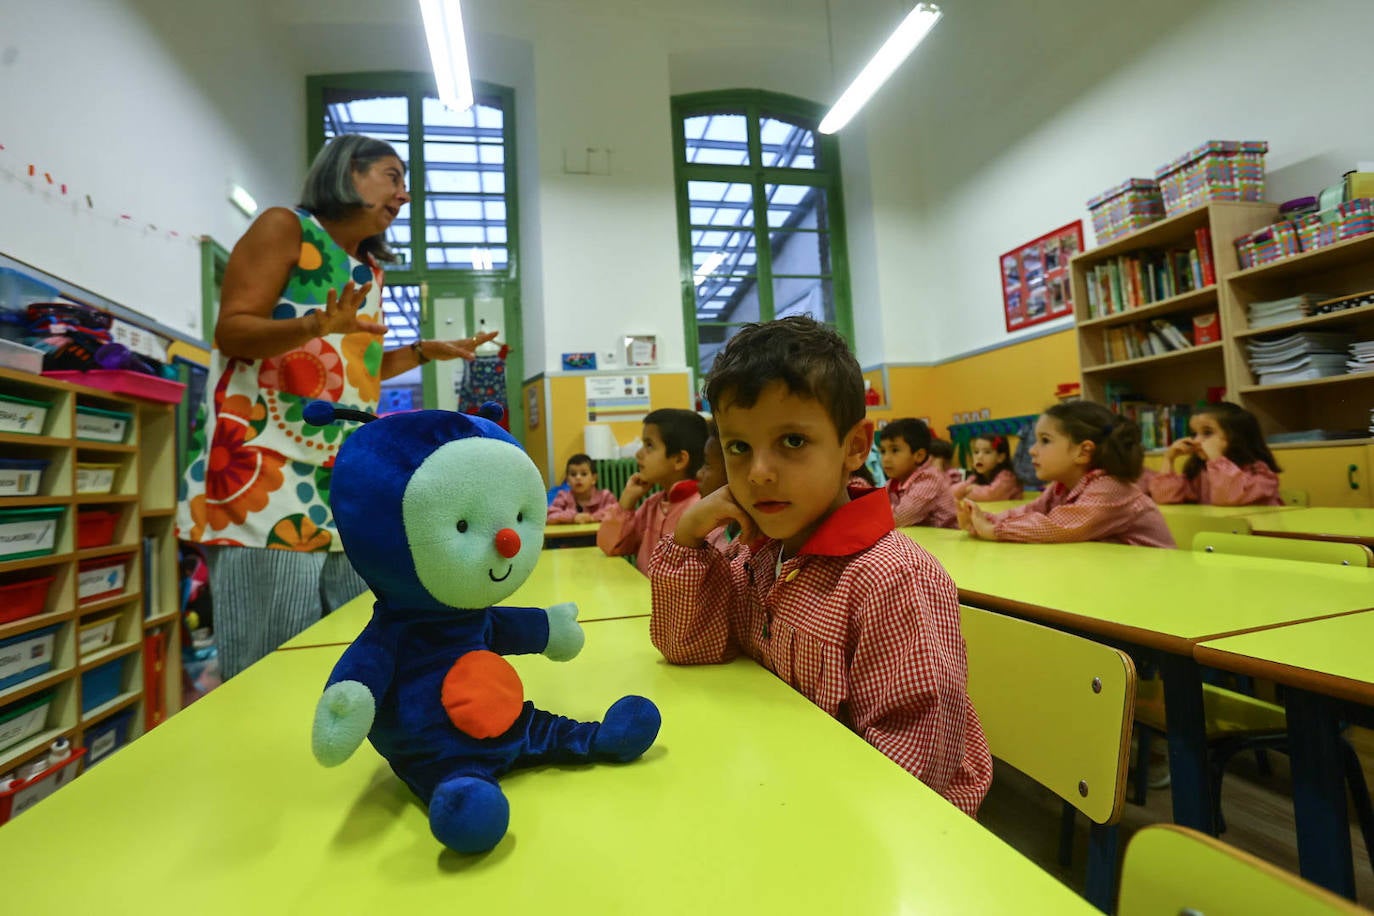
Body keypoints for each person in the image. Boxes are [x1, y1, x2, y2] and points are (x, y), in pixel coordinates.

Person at [177, 134, 498, 679]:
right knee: (269, 655)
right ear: (348, 171)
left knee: (345, 643)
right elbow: (232, 331)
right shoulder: (285, 228)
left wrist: (421, 352)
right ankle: (265, 757)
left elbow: (355, 368)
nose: (404, 195)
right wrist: (312, 324)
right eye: (393, 177)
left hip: (336, 475)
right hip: (261, 471)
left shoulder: (367, 268)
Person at [648, 316, 993, 817]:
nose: (759, 473)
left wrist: (801, 807)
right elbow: (687, 646)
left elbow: (914, 777)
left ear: (854, 447)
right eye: (738, 447)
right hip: (777, 781)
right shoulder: (756, 549)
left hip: (876, 827)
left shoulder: (892, 578)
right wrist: (686, 537)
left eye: (792, 441)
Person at [959, 402, 1174, 547]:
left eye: (1045, 440)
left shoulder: (1110, 489)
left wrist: (994, 530)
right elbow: (1032, 511)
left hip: (1160, 583)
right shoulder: (1061, 487)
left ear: (1083, 451)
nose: (1032, 450)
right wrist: (983, 519)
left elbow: (1057, 527)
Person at [596, 408, 707, 575]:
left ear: (679, 460)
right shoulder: (653, 504)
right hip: (644, 598)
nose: (638, 454)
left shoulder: (701, 508)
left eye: (649, 445)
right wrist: (626, 500)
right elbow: (610, 546)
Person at [1147, 402, 1282, 506]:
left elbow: (1228, 498)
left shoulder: (1260, 473)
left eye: (1207, 433)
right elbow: (1163, 497)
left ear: (1236, 437)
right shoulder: (1201, 473)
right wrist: (1168, 459)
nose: (1197, 441)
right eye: (1194, 434)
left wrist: (1217, 459)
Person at [879, 418, 958, 528]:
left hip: (950, 541)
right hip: (926, 539)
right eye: (883, 451)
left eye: (895, 450)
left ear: (919, 456)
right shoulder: (893, 483)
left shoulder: (929, 479)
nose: (885, 459)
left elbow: (898, 518)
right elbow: (877, 509)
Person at [546, 453, 618, 523]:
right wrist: (573, 517)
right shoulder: (563, 496)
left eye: (584, 474)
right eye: (573, 474)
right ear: (567, 480)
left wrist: (592, 518)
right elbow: (550, 516)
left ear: (594, 479)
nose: (578, 478)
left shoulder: (605, 496)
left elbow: (616, 513)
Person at [952, 434, 1023, 502]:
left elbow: (991, 495)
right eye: (976, 452)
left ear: (1000, 457)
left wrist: (970, 490)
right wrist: (965, 489)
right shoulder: (975, 477)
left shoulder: (1007, 477)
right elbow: (952, 492)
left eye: (987, 452)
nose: (979, 457)